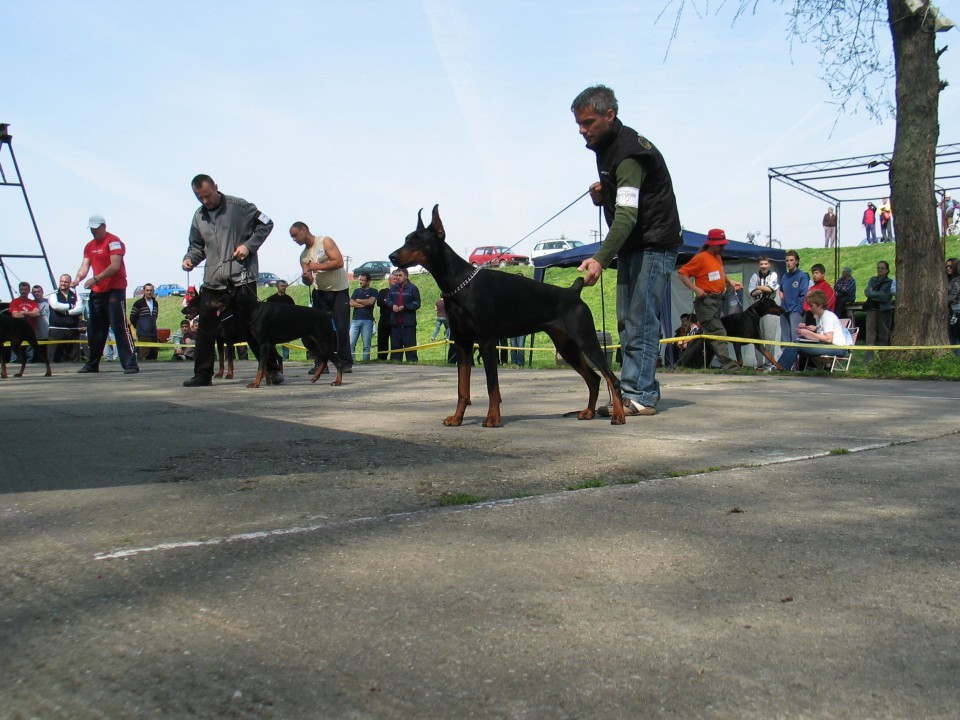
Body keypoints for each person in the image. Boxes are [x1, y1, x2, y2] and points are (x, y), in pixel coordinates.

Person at [572, 84, 682, 416]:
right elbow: (625, 197)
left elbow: (627, 215)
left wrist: (600, 259)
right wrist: (605, 192)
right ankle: (631, 389)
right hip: (635, 245)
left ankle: (642, 395)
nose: (582, 130)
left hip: (654, 243)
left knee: (641, 319)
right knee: (625, 319)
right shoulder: (608, 148)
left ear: (610, 115)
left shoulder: (629, 152)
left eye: (588, 122)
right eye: (578, 123)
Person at [181, 174, 280, 387]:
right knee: (206, 327)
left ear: (216, 187)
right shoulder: (198, 217)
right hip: (213, 281)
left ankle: (273, 369)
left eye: (207, 195)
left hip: (241, 278)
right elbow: (197, 246)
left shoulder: (240, 206)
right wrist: (189, 259)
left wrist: (249, 246)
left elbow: (267, 223)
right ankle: (202, 375)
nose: (205, 201)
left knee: (254, 326)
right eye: (200, 198)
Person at [72, 214, 139, 375]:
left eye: (97, 228)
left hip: (115, 288)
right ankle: (92, 363)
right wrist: (78, 278)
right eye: (92, 229)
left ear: (104, 226)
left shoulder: (114, 241)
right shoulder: (89, 246)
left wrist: (96, 278)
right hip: (97, 291)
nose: (94, 232)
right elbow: (84, 266)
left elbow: (115, 266)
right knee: (95, 328)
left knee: (119, 325)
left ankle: (130, 364)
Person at [290, 222, 352, 373]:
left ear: (304, 230)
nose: (294, 239)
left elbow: (338, 262)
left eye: (295, 235)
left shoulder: (325, 241)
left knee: (342, 328)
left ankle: (345, 362)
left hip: (339, 291)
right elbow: (309, 280)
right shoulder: (303, 256)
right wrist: (306, 277)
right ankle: (321, 363)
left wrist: (317, 267)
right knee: (318, 330)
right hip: (320, 293)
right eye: (292, 237)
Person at [677, 229, 742, 372]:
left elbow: (719, 275)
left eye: (723, 244)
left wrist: (730, 282)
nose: (723, 247)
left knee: (706, 336)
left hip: (717, 302)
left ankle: (683, 364)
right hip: (706, 303)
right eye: (720, 244)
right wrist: (696, 289)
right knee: (719, 332)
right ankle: (731, 367)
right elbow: (682, 273)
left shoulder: (717, 257)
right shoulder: (701, 258)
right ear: (711, 244)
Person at [775, 289, 853, 372]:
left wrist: (809, 333)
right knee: (795, 343)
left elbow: (828, 338)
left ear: (820, 305)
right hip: (828, 345)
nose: (809, 308)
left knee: (795, 346)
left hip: (837, 348)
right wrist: (804, 332)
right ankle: (783, 368)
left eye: (811, 306)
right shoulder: (819, 317)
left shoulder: (827, 316)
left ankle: (781, 369)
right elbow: (818, 338)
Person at [778, 250, 810, 369]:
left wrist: (798, 309)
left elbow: (803, 295)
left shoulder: (802, 276)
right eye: (787, 261)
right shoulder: (785, 276)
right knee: (785, 338)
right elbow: (781, 289)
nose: (789, 263)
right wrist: (782, 299)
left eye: (791, 260)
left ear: (796, 261)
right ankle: (785, 364)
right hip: (784, 310)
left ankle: (796, 365)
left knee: (795, 338)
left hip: (795, 311)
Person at [385, 268, 421, 362]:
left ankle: (412, 365)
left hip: (408, 323)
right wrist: (392, 306)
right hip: (395, 323)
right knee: (396, 348)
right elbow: (388, 300)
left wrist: (405, 307)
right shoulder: (393, 288)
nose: (398, 278)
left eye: (400, 275)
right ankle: (395, 367)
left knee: (410, 348)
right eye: (397, 275)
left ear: (406, 276)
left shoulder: (413, 288)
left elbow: (417, 303)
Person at [863, 260, 895, 362]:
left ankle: (883, 361)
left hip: (884, 311)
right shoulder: (872, 280)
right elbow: (867, 292)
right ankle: (868, 362)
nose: (880, 270)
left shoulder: (889, 282)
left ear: (887, 270)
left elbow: (886, 297)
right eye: (878, 268)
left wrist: (874, 293)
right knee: (870, 337)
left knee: (883, 337)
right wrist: (878, 294)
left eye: (882, 268)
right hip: (871, 310)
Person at [47, 273, 83, 362]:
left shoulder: (76, 295)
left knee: (74, 359)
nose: (63, 283)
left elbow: (80, 308)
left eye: (66, 282)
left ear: (70, 283)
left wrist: (66, 312)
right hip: (56, 330)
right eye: (61, 281)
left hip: (73, 330)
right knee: (53, 358)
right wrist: (71, 306)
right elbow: (55, 306)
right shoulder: (53, 294)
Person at [348, 272, 377, 362]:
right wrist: (365, 304)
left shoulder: (373, 291)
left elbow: (371, 302)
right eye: (360, 279)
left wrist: (358, 300)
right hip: (355, 320)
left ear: (368, 281)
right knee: (351, 343)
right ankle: (352, 361)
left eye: (363, 280)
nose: (360, 282)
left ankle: (366, 362)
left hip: (367, 321)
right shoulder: (356, 291)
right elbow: (350, 303)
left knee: (366, 345)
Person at [265, 279, 296, 360]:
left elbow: (294, 312)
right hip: (274, 325)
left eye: (284, 286)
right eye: (281, 286)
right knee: (272, 343)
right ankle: (272, 358)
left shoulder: (289, 299)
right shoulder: (271, 299)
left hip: (285, 325)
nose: (283, 288)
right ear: (277, 287)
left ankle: (285, 358)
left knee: (286, 343)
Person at [129, 282, 159, 360]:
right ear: (144, 291)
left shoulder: (155, 303)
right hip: (143, 335)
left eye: (151, 290)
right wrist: (139, 327)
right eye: (147, 290)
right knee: (143, 357)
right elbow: (132, 317)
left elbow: (155, 316)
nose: (149, 292)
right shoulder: (138, 303)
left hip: (153, 334)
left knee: (153, 357)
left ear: (153, 291)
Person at [376, 272, 396, 361]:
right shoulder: (383, 291)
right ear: (389, 280)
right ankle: (381, 358)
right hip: (384, 320)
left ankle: (394, 359)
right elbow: (379, 303)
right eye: (393, 279)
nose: (395, 281)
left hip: (394, 320)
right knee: (382, 341)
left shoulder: (398, 292)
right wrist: (387, 301)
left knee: (395, 342)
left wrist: (386, 301)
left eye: (396, 279)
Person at [947, 258, 960, 357]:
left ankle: (957, 356)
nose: (948, 268)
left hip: (957, 310)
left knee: (955, 334)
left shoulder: (957, 280)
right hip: (952, 309)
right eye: (946, 266)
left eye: (950, 266)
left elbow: (953, 295)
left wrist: (943, 303)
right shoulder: (949, 279)